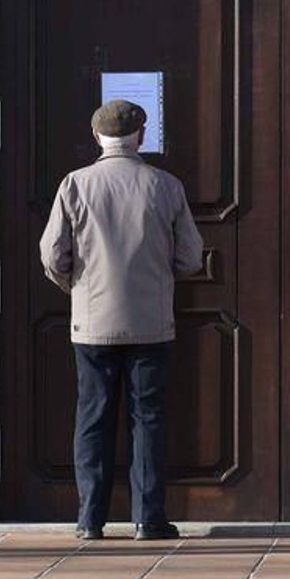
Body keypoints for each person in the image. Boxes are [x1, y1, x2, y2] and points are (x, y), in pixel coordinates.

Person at [39, 99, 204, 540]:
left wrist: (76, 286)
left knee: (93, 416)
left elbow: (53, 255)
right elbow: (190, 257)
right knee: (147, 418)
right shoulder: (165, 186)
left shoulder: (75, 184)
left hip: (92, 321)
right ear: (142, 137)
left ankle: (90, 520)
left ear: (96, 137)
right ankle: (148, 519)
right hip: (151, 322)